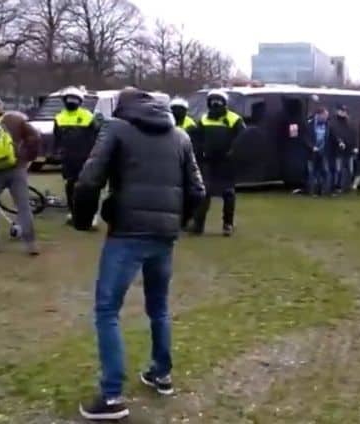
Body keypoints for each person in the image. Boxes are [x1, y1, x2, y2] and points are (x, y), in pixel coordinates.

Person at [73, 88, 205, 421]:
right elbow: (197, 190)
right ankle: (161, 373)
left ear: (122, 107)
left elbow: (88, 180)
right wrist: (177, 222)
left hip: (127, 233)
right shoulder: (180, 136)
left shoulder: (116, 128)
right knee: (158, 306)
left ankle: (112, 395)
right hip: (163, 235)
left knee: (107, 310)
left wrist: (83, 219)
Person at [0, 95, 41, 255]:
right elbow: (35, 137)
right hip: (16, 168)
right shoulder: (16, 119)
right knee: (23, 206)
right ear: (1, 106)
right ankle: (30, 243)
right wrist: (27, 157)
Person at [190, 90, 245, 236]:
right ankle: (198, 225)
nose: (215, 104)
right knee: (204, 193)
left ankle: (228, 224)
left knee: (228, 193)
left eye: (218, 101)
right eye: (212, 101)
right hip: (208, 162)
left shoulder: (234, 119)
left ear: (224, 103)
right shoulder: (204, 119)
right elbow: (197, 138)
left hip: (227, 163)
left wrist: (233, 151)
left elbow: (242, 139)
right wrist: (200, 152)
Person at [53, 86, 99, 226]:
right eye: (69, 99)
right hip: (69, 159)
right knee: (71, 185)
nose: (71, 102)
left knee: (88, 186)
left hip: (86, 157)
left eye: (74, 99)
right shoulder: (59, 117)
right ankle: (73, 212)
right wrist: (57, 152)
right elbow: (57, 138)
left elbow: (97, 135)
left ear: (80, 101)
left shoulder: (88, 116)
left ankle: (91, 214)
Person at [169, 97, 200, 229]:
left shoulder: (190, 125)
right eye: (174, 109)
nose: (177, 112)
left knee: (187, 191)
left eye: (180, 109)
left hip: (186, 163)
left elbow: (195, 146)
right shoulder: (168, 123)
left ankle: (186, 218)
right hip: (171, 161)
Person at [329, 104, 357, 194]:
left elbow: (354, 135)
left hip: (349, 151)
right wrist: (339, 142)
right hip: (338, 151)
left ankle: (348, 186)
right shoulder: (333, 123)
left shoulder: (349, 123)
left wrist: (355, 147)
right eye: (341, 111)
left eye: (344, 111)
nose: (343, 113)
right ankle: (337, 187)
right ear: (338, 111)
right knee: (338, 170)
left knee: (350, 170)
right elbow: (333, 134)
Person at [305, 107, 333, 196]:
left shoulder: (328, 125)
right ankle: (312, 191)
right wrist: (312, 147)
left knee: (325, 171)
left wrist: (340, 142)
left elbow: (332, 136)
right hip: (312, 153)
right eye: (325, 115)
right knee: (312, 172)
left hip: (324, 152)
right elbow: (305, 138)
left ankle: (325, 191)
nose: (326, 118)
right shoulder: (309, 125)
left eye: (327, 116)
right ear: (319, 115)